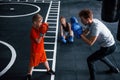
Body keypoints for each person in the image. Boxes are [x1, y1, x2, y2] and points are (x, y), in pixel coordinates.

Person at [71, 9, 120, 80]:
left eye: (82, 19)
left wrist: (81, 34)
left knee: (90, 60)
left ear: (87, 19)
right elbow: (86, 33)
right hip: (106, 45)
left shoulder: (96, 27)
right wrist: (79, 31)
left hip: (109, 47)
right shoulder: (91, 22)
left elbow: (90, 43)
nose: (81, 21)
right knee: (101, 56)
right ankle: (113, 69)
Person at [26, 14, 55, 80]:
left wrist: (44, 30)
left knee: (44, 59)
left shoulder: (39, 27)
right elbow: (38, 41)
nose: (41, 23)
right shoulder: (33, 31)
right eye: (40, 22)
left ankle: (48, 69)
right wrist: (42, 33)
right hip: (35, 50)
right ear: (35, 22)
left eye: (42, 22)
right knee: (32, 63)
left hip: (41, 48)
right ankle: (29, 73)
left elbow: (43, 36)